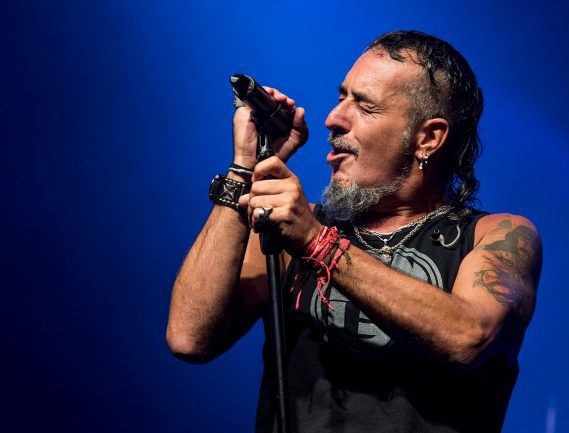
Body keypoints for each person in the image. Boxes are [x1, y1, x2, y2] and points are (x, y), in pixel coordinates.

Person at [167, 30, 542, 433]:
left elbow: (468, 337)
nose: (333, 118)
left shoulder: (496, 235)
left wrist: (318, 243)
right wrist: (243, 168)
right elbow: (189, 338)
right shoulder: (292, 230)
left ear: (428, 138)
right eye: (342, 97)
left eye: (364, 106)